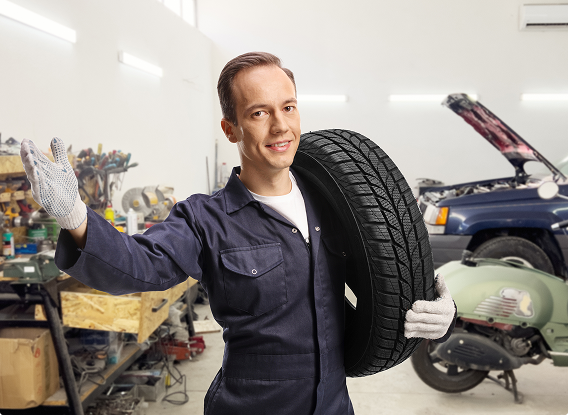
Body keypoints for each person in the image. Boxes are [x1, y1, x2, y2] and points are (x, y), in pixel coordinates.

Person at [20, 52, 456, 414]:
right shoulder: (205, 219)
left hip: (333, 406)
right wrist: (75, 215)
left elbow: (389, 275)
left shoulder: (335, 203)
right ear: (231, 129)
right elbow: (135, 268)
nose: (281, 126)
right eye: (259, 113)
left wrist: (436, 310)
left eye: (288, 107)